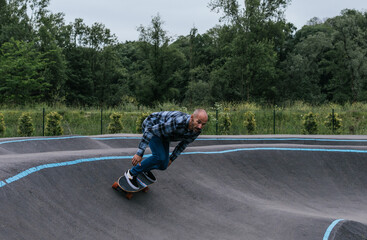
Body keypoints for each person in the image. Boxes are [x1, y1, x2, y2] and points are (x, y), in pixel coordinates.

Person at [124, 109, 208, 190]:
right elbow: (150, 131)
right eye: (198, 122)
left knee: (164, 165)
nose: (200, 127)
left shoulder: (196, 130)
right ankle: (131, 173)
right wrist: (139, 153)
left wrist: (171, 159)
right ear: (192, 117)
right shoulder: (178, 122)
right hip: (151, 126)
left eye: (203, 124)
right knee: (159, 157)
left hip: (164, 135)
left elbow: (182, 145)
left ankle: (144, 169)